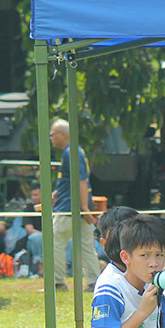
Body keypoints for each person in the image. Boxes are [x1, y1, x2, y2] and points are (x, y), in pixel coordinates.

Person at [49, 119, 101, 292]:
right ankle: (94, 282)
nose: (51, 138)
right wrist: (58, 192)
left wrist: (85, 208)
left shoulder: (71, 153)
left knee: (55, 244)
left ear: (63, 135)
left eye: (52, 135)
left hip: (67, 209)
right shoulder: (74, 152)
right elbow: (72, 180)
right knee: (87, 246)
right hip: (73, 207)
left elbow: (81, 181)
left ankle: (57, 283)